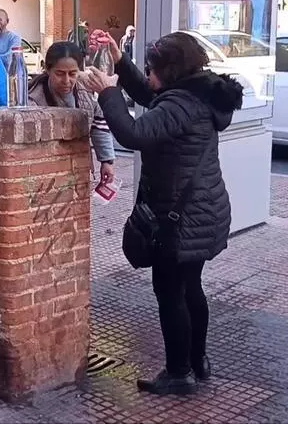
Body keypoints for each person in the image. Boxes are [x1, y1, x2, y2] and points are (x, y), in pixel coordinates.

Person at [80, 32, 242, 396]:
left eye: (152, 69)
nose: (149, 76)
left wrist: (107, 91)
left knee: (170, 292)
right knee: (190, 288)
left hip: (181, 218)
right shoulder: (198, 91)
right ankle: (198, 361)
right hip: (201, 210)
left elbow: (134, 133)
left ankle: (178, 372)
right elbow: (155, 97)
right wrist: (121, 62)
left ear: (171, 71)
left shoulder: (182, 104)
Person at [28, 41, 115, 183]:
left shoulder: (86, 93)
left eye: (72, 74)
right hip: (45, 176)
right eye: (60, 74)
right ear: (47, 69)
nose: (66, 80)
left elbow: (98, 125)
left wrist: (107, 161)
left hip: (79, 170)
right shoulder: (33, 100)